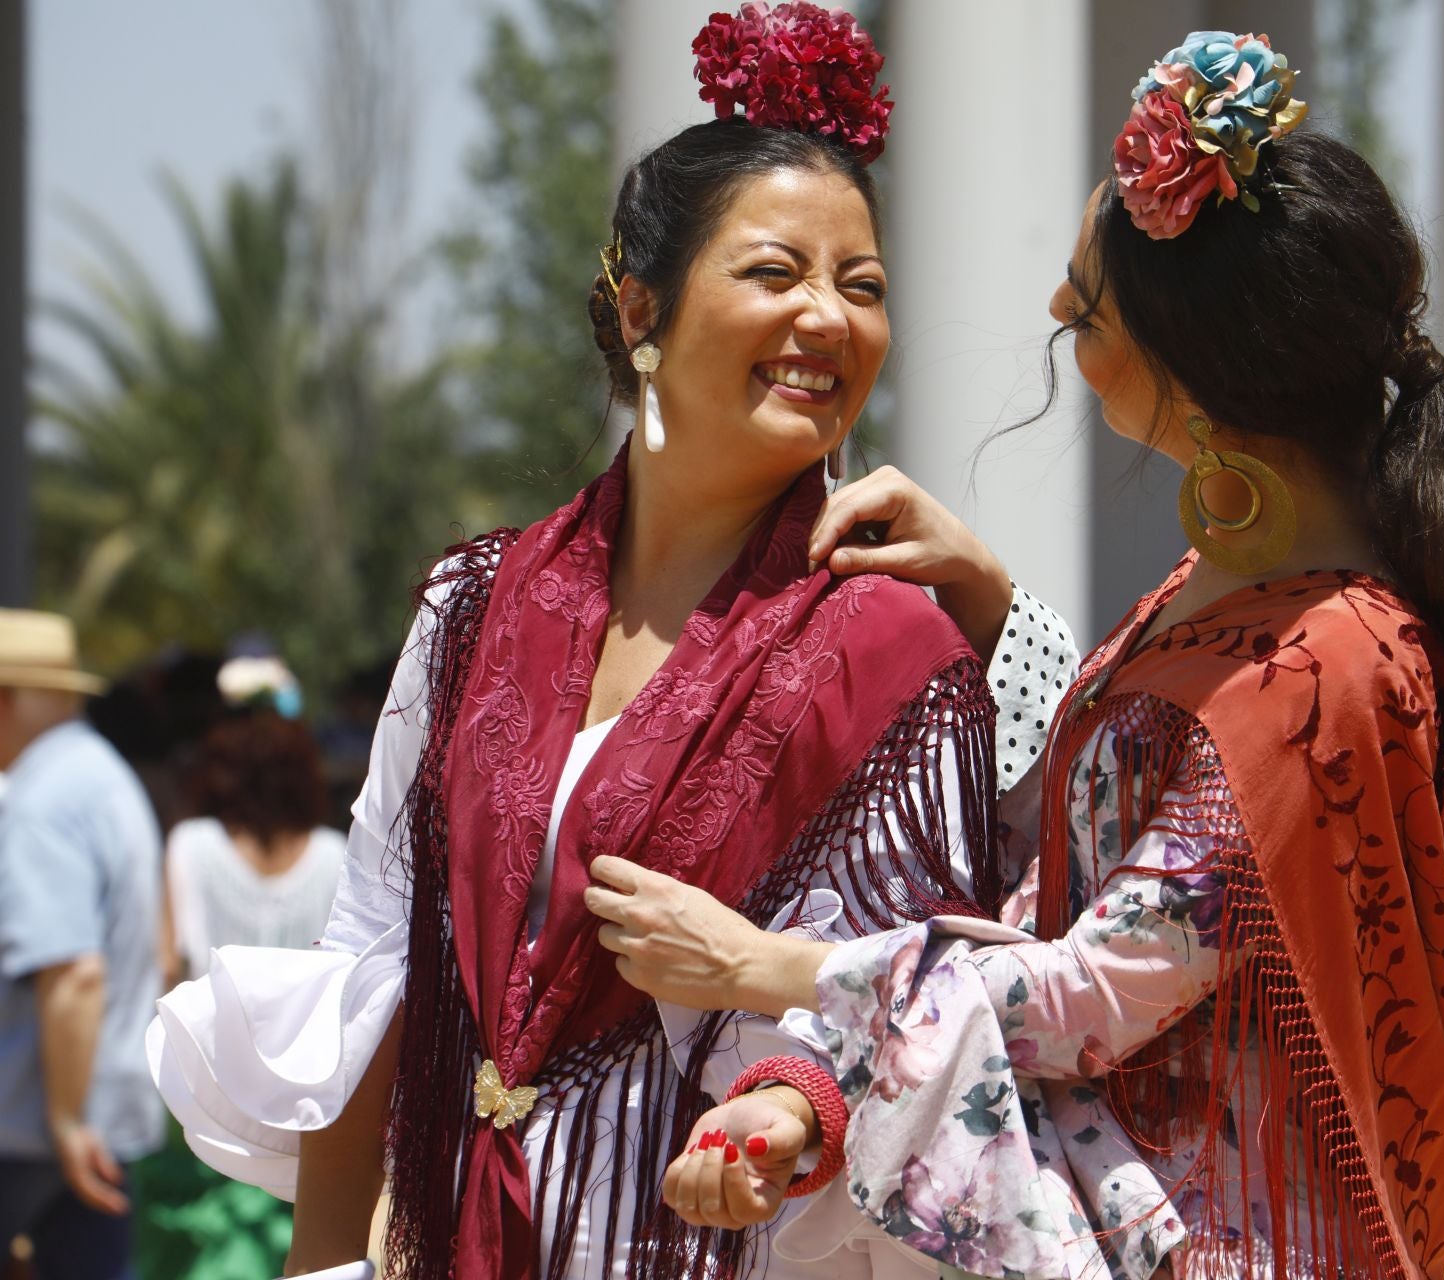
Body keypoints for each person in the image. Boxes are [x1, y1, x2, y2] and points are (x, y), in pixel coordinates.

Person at [590, 31, 1444, 1280]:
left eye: (1086, 309)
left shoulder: (1325, 664)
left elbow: (1094, 989)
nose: (1059, 327)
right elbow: (1079, 851)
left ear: (1194, 365)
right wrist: (987, 595)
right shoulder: (1231, 593)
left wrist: (764, 965)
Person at [147, 7, 1081, 1279]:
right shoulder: (476, 606)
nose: (828, 318)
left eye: (861, 286)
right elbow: (372, 969)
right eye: (775, 272)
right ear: (641, 304)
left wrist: (989, 595)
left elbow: (928, 991)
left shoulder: (890, 646)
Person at [0, 608, 164, 1279]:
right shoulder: (102, 775)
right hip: (100, 1119)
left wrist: (66, 1120)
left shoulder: (42, 798)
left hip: (46, 1132)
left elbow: (73, 973)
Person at [164, 713, 346, 985]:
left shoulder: (191, 844)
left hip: (210, 1025)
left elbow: (169, 964)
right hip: (311, 1027)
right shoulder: (334, 854)